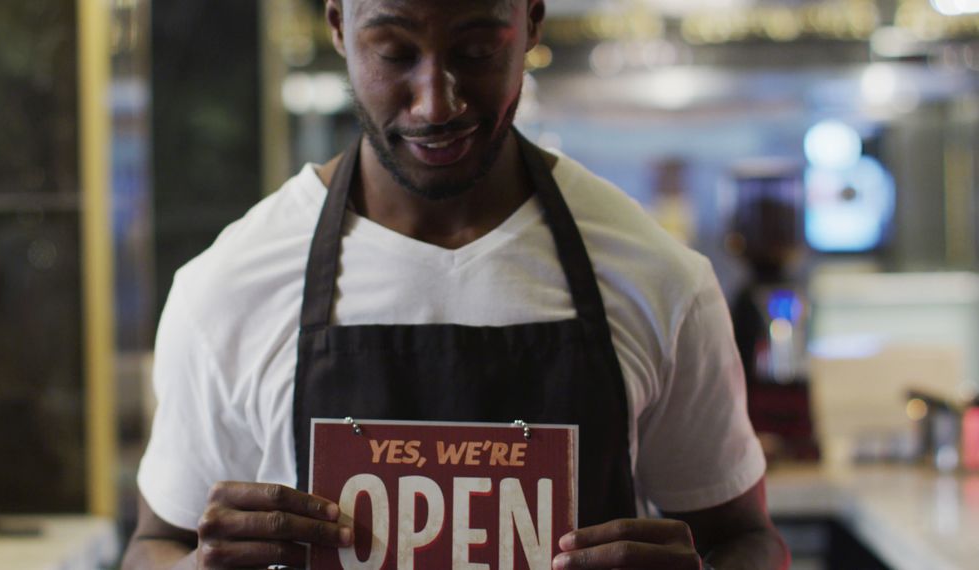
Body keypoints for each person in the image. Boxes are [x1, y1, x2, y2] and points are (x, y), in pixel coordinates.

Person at [122, 0, 791, 568]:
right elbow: (157, 540)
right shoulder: (228, 287)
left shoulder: (656, 278)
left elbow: (744, 536)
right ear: (337, 27)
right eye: (392, 52)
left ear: (531, 21)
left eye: (475, 51)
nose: (435, 101)